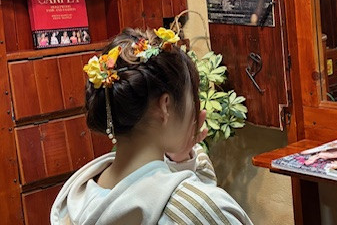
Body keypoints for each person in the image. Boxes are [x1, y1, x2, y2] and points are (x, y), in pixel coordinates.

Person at [50, 27, 253, 225]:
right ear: (165, 106)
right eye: (193, 97)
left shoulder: (78, 201)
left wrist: (180, 163)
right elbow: (199, 210)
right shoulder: (202, 208)